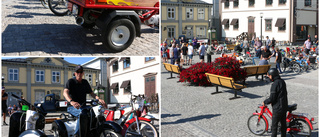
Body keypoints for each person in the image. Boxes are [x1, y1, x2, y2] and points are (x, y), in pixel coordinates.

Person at [63, 65, 107, 137]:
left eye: (81, 72)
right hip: (72, 107)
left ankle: (92, 132)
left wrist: (99, 99)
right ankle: (77, 135)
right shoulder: (70, 81)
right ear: (75, 73)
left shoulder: (85, 82)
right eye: (77, 72)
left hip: (83, 106)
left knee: (95, 113)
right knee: (82, 114)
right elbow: (65, 92)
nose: (79, 74)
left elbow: (92, 94)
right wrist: (72, 102)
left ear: (83, 73)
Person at [263, 68, 288, 137]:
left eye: (269, 75)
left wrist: (265, 102)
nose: (269, 77)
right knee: (283, 125)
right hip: (284, 106)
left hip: (278, 108)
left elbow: (272, 98)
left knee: (274, 126)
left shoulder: (275, 84)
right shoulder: (282, 81)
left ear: (272, 75)